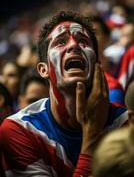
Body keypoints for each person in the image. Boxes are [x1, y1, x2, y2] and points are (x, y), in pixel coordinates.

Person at [0, 10, 128, 176]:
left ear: (97, 64)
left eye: (83, 41)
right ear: (43, 69)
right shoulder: (20, 131)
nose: (74, 45)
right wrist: (92, 135)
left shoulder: (125, 125)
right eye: (60, 42)